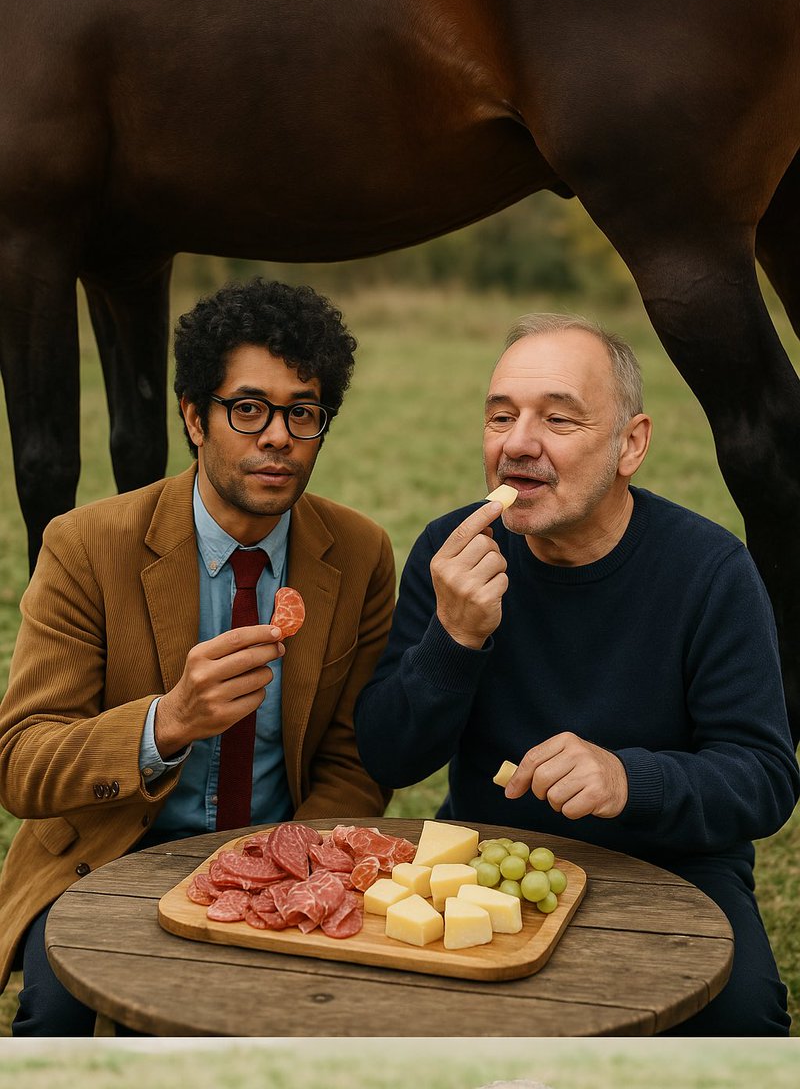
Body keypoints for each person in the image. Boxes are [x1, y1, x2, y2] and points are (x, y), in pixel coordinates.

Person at [354, 312, 800, 1036]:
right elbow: (388, 755)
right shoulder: (453, 550)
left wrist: (629, 779)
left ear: (631, 444)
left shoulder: (709, 570)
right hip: (486, 861)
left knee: (742, 1021)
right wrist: (455, 638)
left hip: (671, 866)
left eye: (558, 419)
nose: (517, 444)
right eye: (501, 416)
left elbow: (765, 780)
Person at [0, 277, 395, 1036]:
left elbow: (353, 756)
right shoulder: (86, 546)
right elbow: (21, 761)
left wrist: (291, 868)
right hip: (110, 854)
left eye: (302, 412)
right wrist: (167, 723)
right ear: (193, 417)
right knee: (57, 1029)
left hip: (285, 858)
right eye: (247, 408)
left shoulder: (360, 553)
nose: (277, 437)